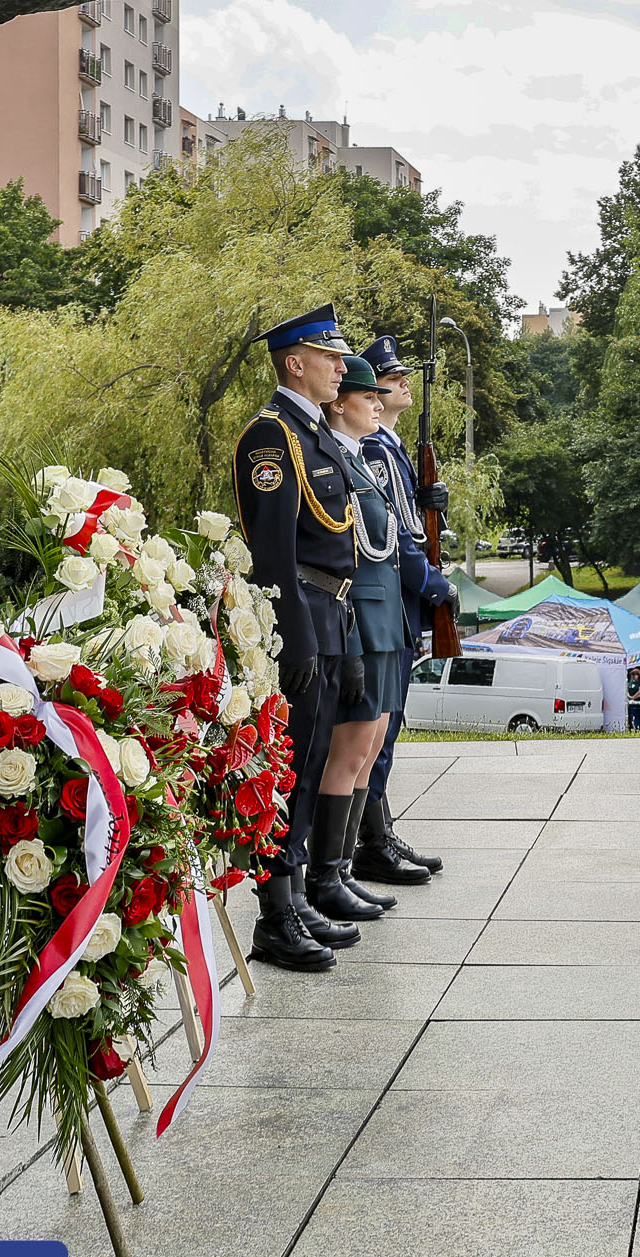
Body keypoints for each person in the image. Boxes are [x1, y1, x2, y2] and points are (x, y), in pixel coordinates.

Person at [232, 304, 361, 972]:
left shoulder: (315, 436)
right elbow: (275, 550)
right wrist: (295, 634)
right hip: (302, 614)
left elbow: (340, 542)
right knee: (285, 770)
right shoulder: (271, 437)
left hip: (330, 613)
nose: (342, 366)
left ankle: (297, 887)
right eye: (329, 355)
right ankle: (274, 912)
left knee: (309, 765)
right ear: (293, 362)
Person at [307, 355, 414, 923]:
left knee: (369, 748)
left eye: (379, 396)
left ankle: (342, 868)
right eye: (366, 395)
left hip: (383, 618)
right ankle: (327, 875)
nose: (378, 402)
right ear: (339, 403)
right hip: (358, 620)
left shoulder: (361, 461)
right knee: (348, 751)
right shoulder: (333, 462)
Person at [347, 334, 454, 889]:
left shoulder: (385, 446)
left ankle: (378, 832)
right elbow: (393, 536)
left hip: (399, 593)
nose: (405, 385)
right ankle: (371, 841)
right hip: (391, 592)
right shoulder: (371, 449)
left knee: (387, 724)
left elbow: (408, 521)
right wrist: (432, 584)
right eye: (393, 380)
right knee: (377, 728)